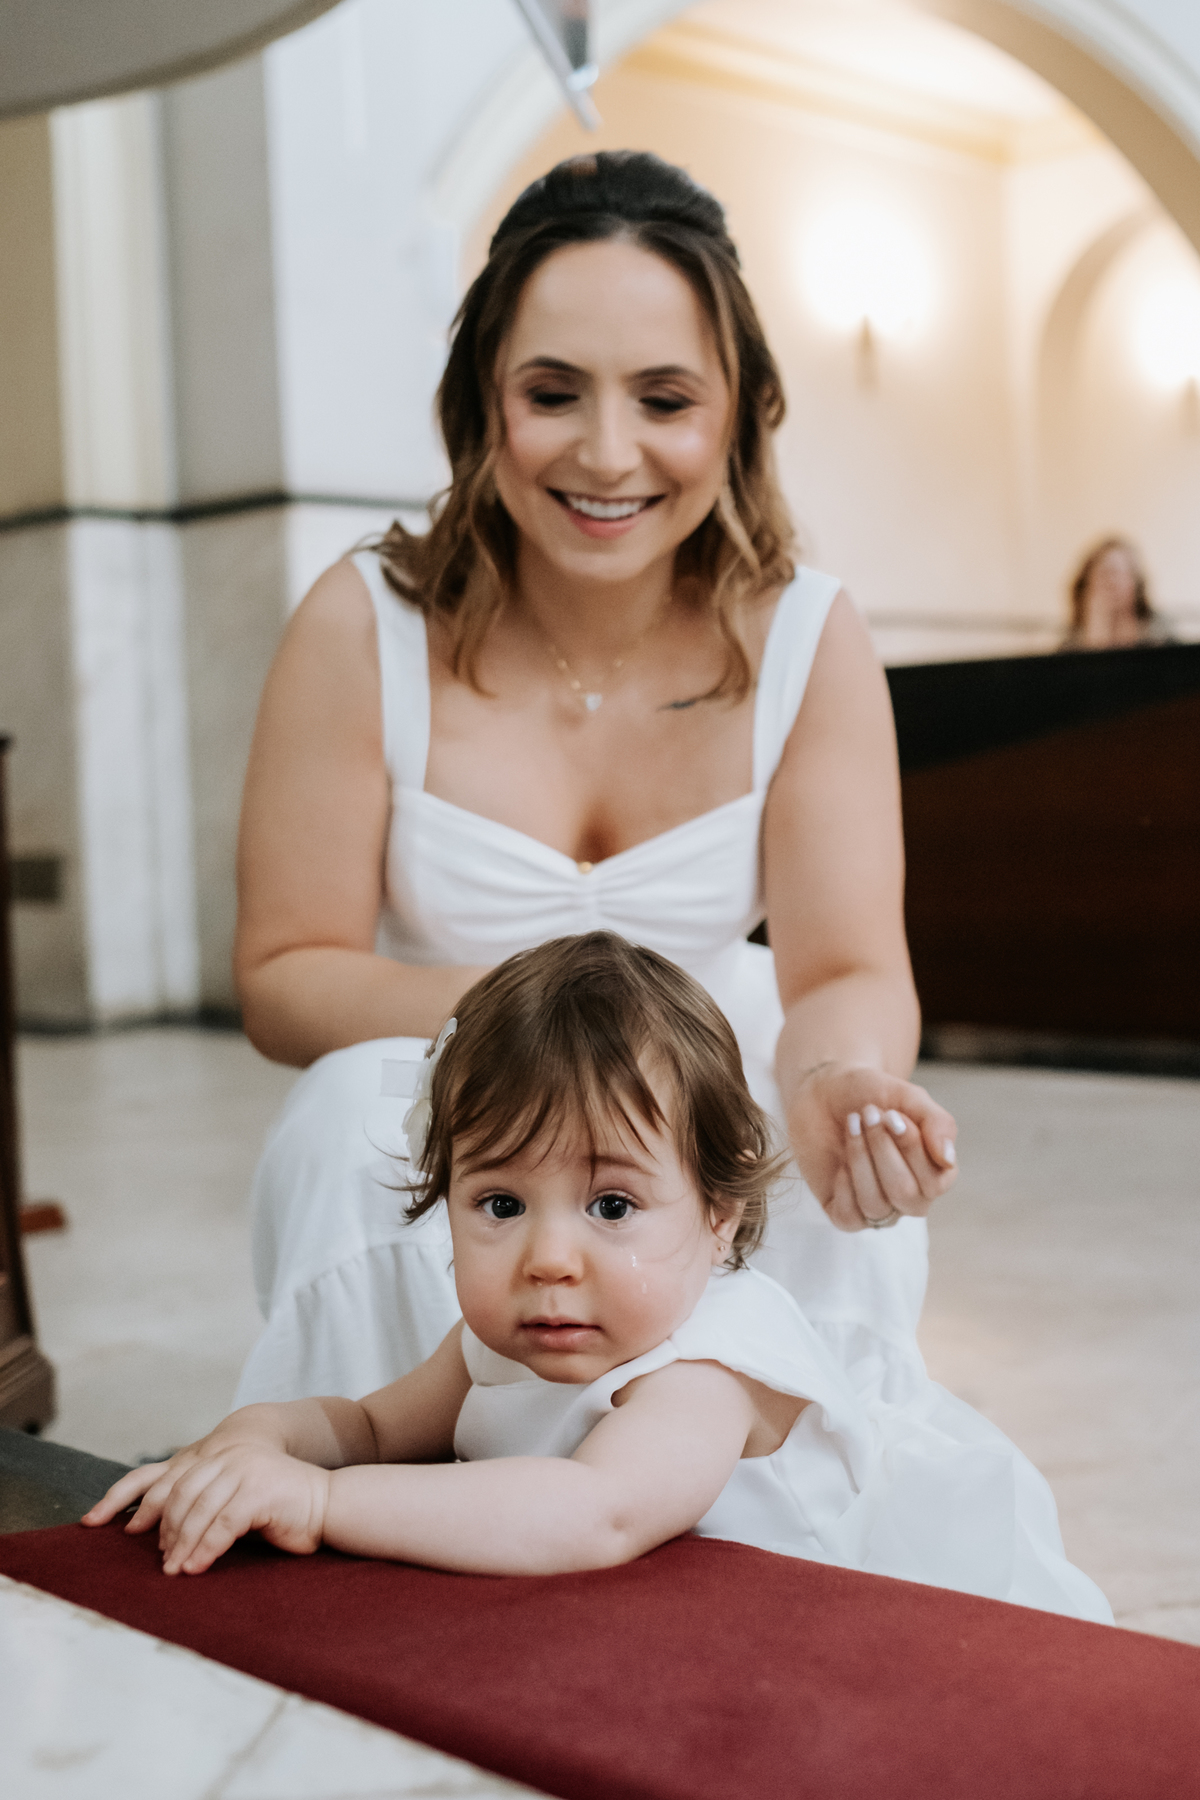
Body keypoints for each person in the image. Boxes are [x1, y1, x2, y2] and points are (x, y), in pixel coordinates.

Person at [231, 149, 959, 1411]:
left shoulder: (809, 635)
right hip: (444, 1074)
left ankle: (769, 1504)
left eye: (665, 399)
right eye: (554, 393)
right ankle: (377, 1465)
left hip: (710, 1078)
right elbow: (287, 974)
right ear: (484, 402)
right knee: (348, 1118)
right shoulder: (362, 623)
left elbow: (843, 969)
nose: (609, 454)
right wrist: (565, 1040)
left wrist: (833, 1078)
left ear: (739, 412)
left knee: (807, 1143)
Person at [85, 935, 1110, 1623]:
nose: (549, 1257)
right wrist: (260, 1437)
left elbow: (594, 1512)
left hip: (855, 1619)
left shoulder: (708, 1366)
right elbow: (366, 1427)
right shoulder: (499, 1340)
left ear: (718, 1212)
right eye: (500, 1204)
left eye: (612, 1207)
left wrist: (319, 1502)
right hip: (661, 1627)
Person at [1061, 537, 1174, 650]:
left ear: (1136, 583)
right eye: (1104, 574)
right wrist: (1095, 640)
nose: (1111, 583)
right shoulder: (1068, 647)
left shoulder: (1162, 638)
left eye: (1118, 573)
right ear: (1086, 588)